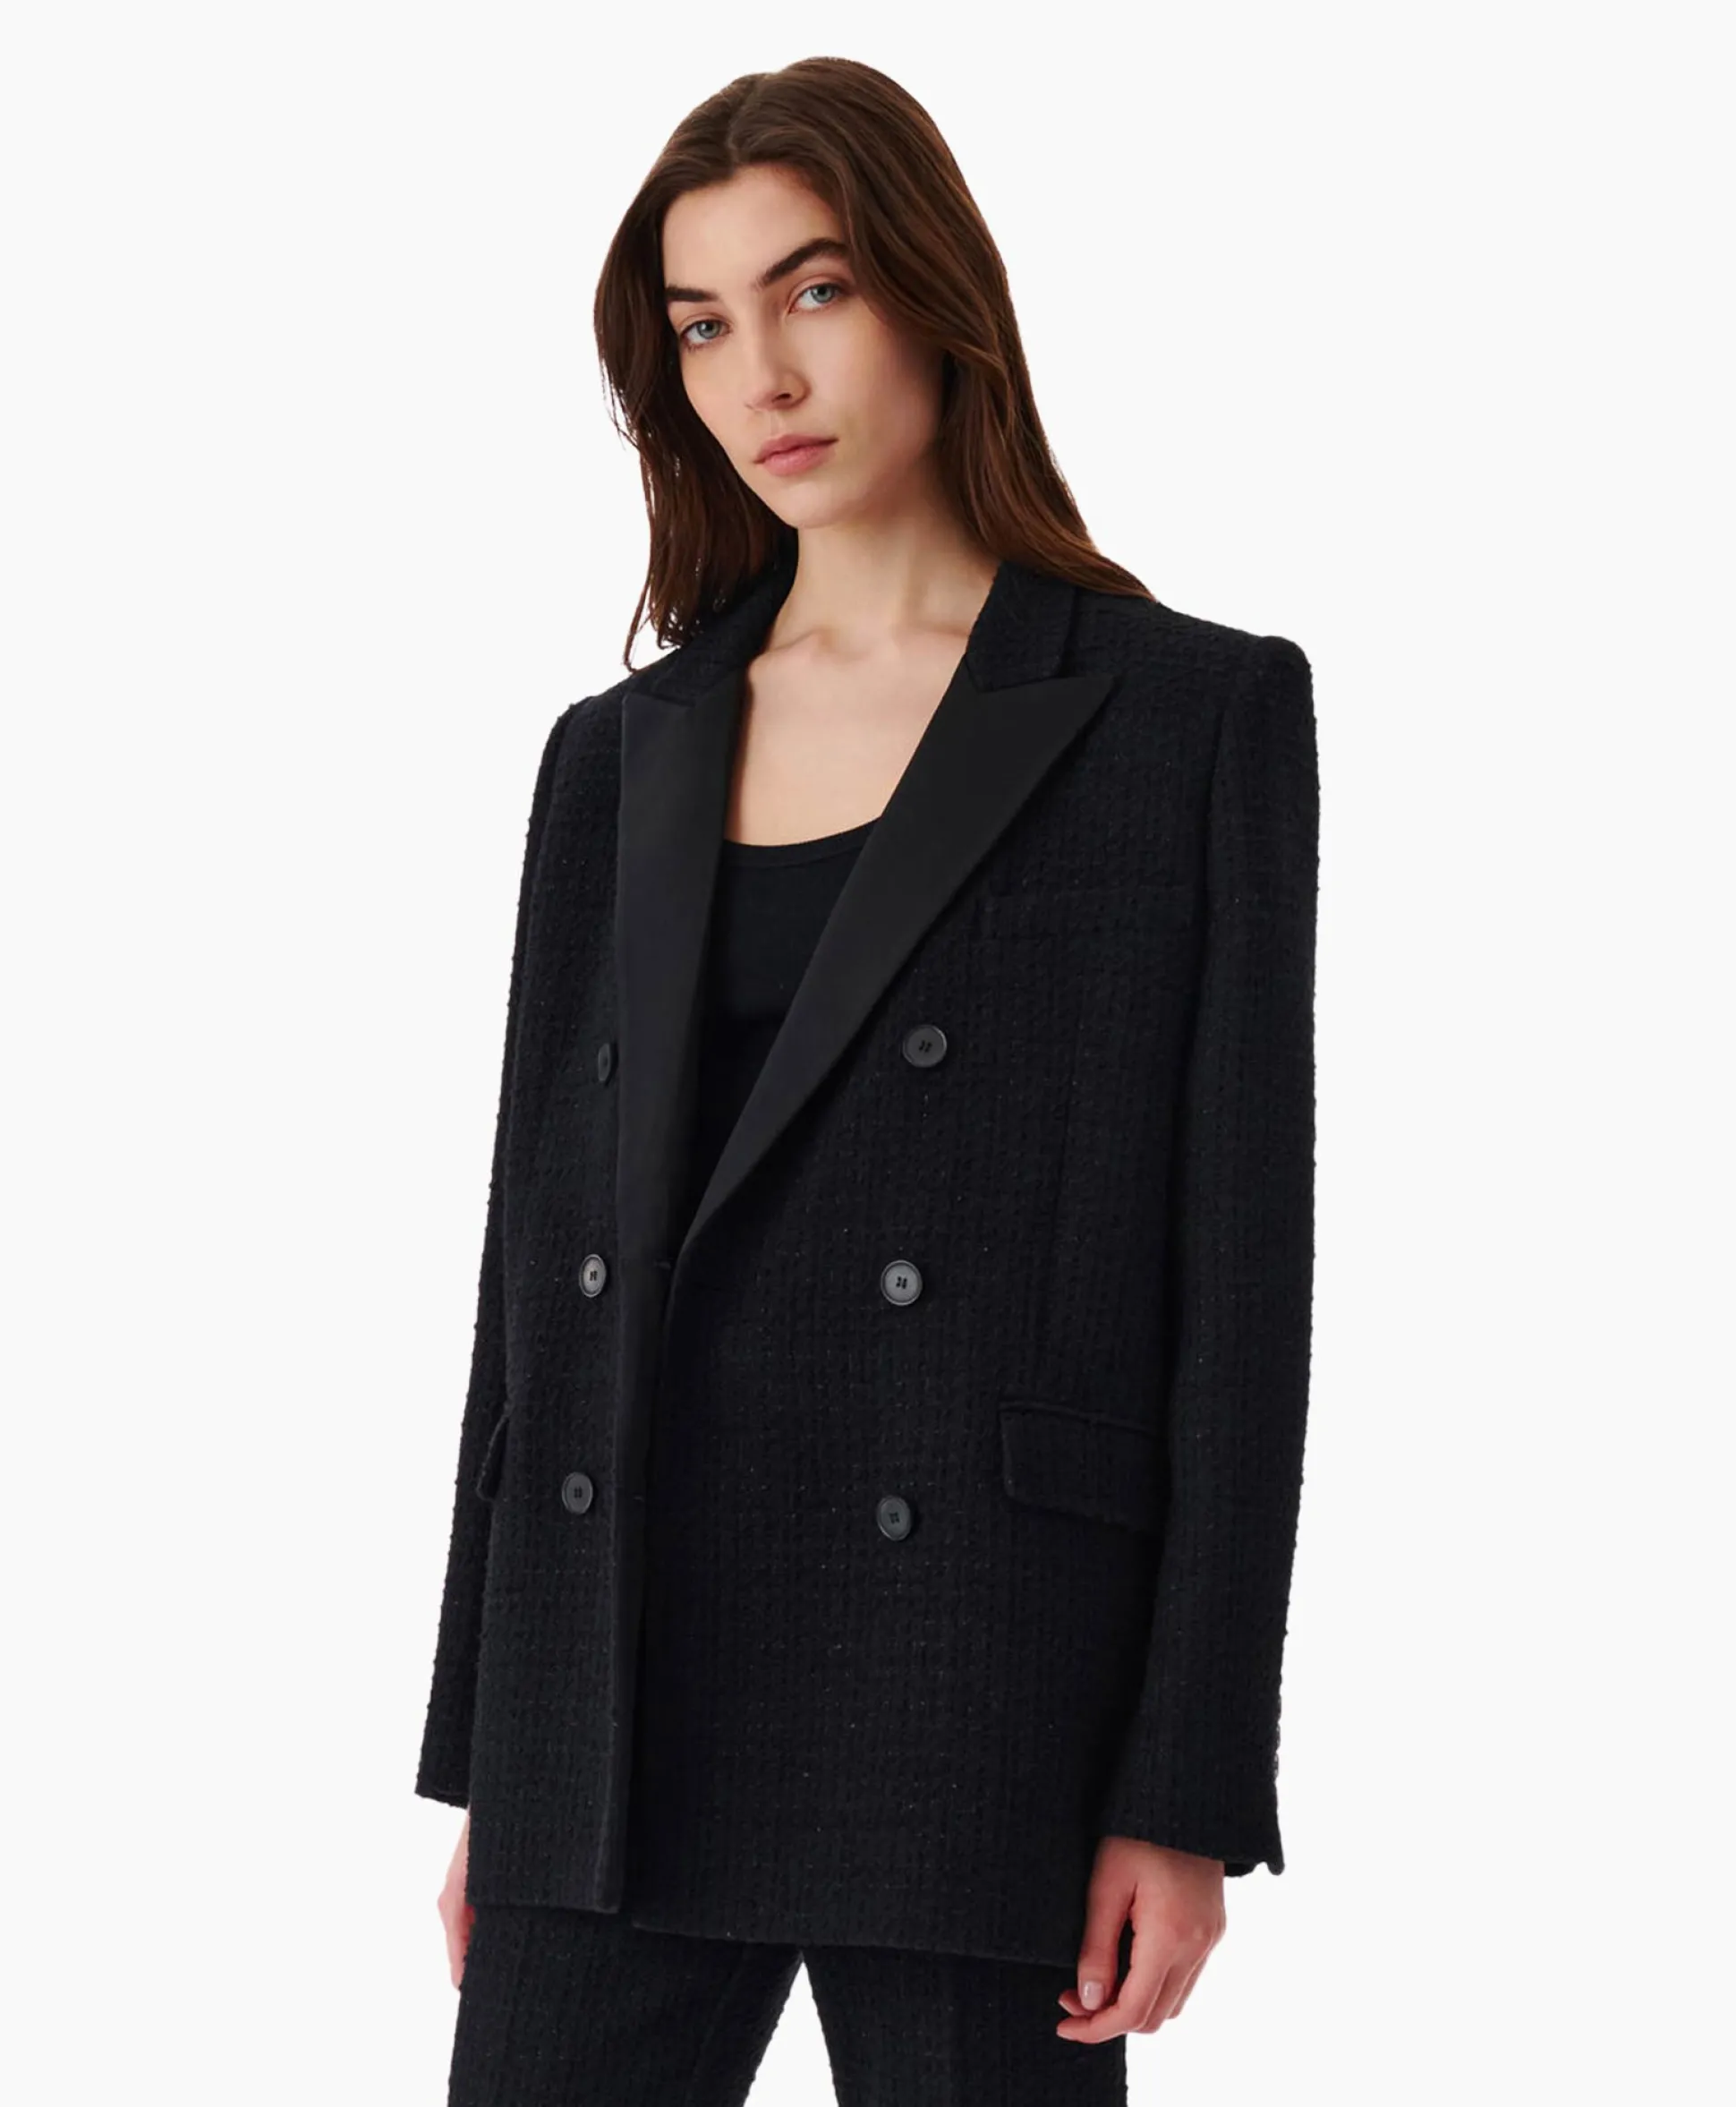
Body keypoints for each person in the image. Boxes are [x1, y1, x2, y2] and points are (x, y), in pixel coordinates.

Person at [415, 54, 1319, 2107]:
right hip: (616, 1676)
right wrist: (494, 1750)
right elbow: (527, 1283)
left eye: (813, 290)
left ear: (935, 293)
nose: (763, 374)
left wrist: (1180, 1785)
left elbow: (1238, 1287)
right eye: (701, 324)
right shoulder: (616, 753)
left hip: (974, 1676)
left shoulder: (1180, 717)